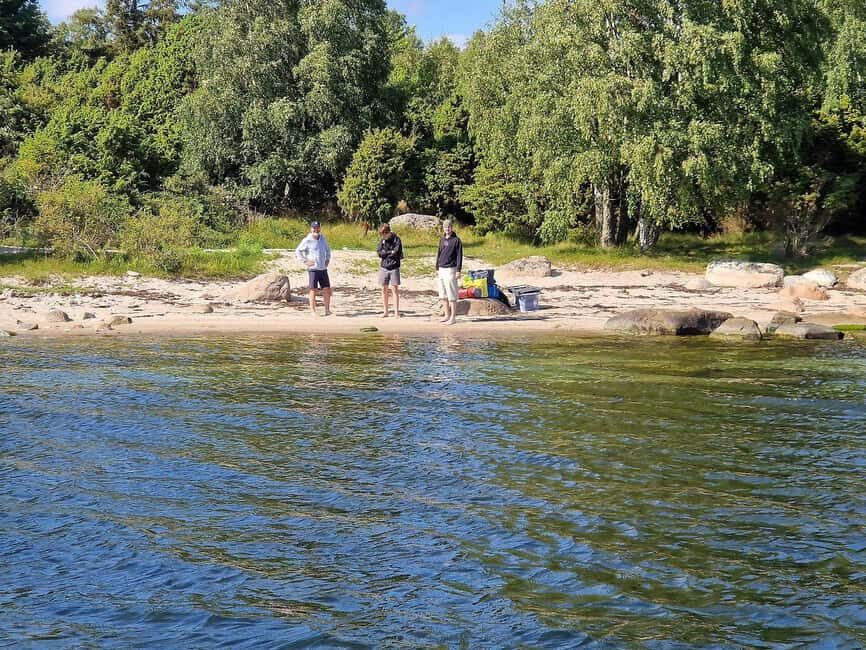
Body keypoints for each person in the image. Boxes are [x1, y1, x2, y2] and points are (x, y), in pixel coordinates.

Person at [295, 220, 332, 316]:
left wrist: (327, 259)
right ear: (311, 229)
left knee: (327, 289)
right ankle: (313, 311)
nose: (316, 229)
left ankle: (327, 310)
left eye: (317, 227)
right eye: (314, 228)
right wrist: (305, 261)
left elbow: (328, 250)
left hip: (323, 268)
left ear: (320, 228)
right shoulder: (307, 240)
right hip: (313, 269)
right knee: (313, 289)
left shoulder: (323, 239)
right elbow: (298, 251)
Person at [435, 219, 463, 325]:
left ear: (452, 227)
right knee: (443, 294)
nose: (447, 229)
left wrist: (458, 270)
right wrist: (437, 266)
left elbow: (459, 256)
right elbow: (439, 253)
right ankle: (446, 315)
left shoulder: (457, 240)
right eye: (445, 227)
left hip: (451, 269)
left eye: (449, 227)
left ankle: (453, 317)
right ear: (443, 228)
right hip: (441, 269)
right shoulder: (442, 239)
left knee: (452, 294)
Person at [376, 223, 403, 318]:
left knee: (394, 289)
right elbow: (379, 252)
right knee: (383, 289)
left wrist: (387, 253)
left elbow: (396, 252)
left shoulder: (397, 239)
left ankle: (396, 312)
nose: (383, 237)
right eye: (382, 235)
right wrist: (389, 252)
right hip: (384, 267)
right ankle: (385, 312)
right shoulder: (382, 240)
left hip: (394, 267)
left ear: (388, 232)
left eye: (384, 234)